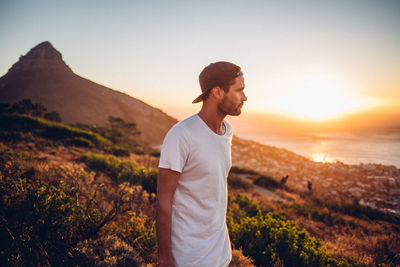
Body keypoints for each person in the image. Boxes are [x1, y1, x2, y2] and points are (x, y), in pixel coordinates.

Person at [156, 61, 247, 267]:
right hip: (189, 258)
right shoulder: (181, 135)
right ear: (216, 92)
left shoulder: (227, 131)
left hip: (221, 254)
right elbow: (163, 201)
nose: (244, 97)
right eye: (239, 90)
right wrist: (165, 259)